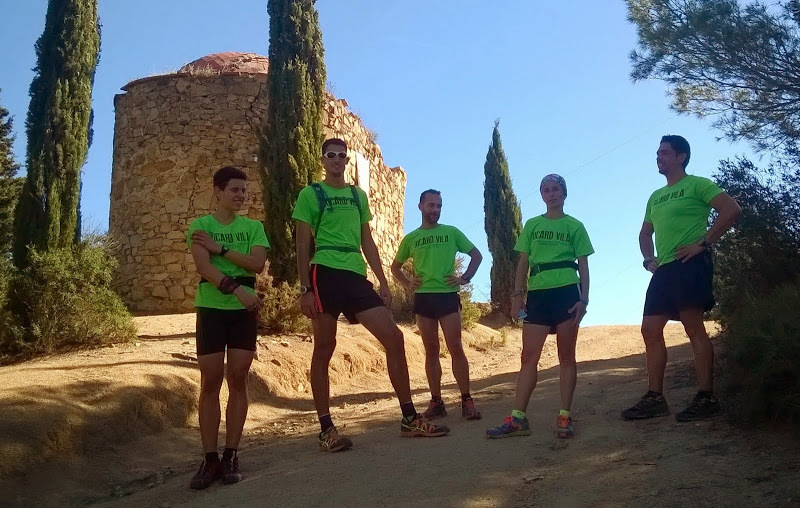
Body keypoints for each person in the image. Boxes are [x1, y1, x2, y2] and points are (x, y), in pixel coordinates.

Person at [293, 138, 449, 453]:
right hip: (324, 272)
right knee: (324, 347)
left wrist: (382, 280)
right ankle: (326, 429)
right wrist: (305, 288)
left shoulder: (357, 195)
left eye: (342, 155)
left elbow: (367, 241)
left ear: (346, 160)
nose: (337, 160)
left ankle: (409, 418)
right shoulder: (311, 194)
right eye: (331, 155)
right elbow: (301, 243)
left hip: (355, 274)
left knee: (394, 338)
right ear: (323, 160)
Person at [622, 135, 741, 422]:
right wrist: (648, 259)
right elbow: (645, 233)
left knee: (693, 327)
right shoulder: (655, 196)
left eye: (664, 153)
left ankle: (706, 397)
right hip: (664, 269)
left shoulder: (698, 184)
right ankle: (654, 398)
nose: (658, 157)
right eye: (657, 153)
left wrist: (704, 242)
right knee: (650, 329)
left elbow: (732, 209)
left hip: (690, 263)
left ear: (681, 157)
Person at [486, 174, 593, 439]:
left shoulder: (575, 225)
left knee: (566, 357)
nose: (551, 193)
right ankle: (518, 418)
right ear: (542, 195)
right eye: (546, 189)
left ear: (564, 193)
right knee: (528, 357)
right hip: (538, 295)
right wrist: (517, 296)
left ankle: (564, 416)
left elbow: (583, 264)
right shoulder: (532, 225)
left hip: (567, 292)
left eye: (555, 189)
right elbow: (523, 262)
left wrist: (584, 300)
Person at [186, 166, 269, 489]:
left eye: (244, 190)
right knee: (210, 381)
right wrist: (237, 289)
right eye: (234, 190)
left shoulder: (253, 227)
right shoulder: (200, 226)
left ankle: (231, 454)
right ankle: (210, 459)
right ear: (217, 191)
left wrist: (219, 249)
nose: (241, 195)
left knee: (237, 378)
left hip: (242, 314)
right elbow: (203, 267)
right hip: (211, 309)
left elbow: (257, 264)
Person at [391, 189, 484, 421]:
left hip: (447, 296)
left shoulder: (451, 232)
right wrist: (407, 283)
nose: (435, 210)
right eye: (431, 205)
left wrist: (465, 278)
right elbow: (395, 267)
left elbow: (476, 255)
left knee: (455, 347)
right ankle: (436, 401)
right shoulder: (411, 238)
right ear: (420, 206)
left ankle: (467, 400)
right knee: (431, 350)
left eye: (439, 206)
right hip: (424, 298)